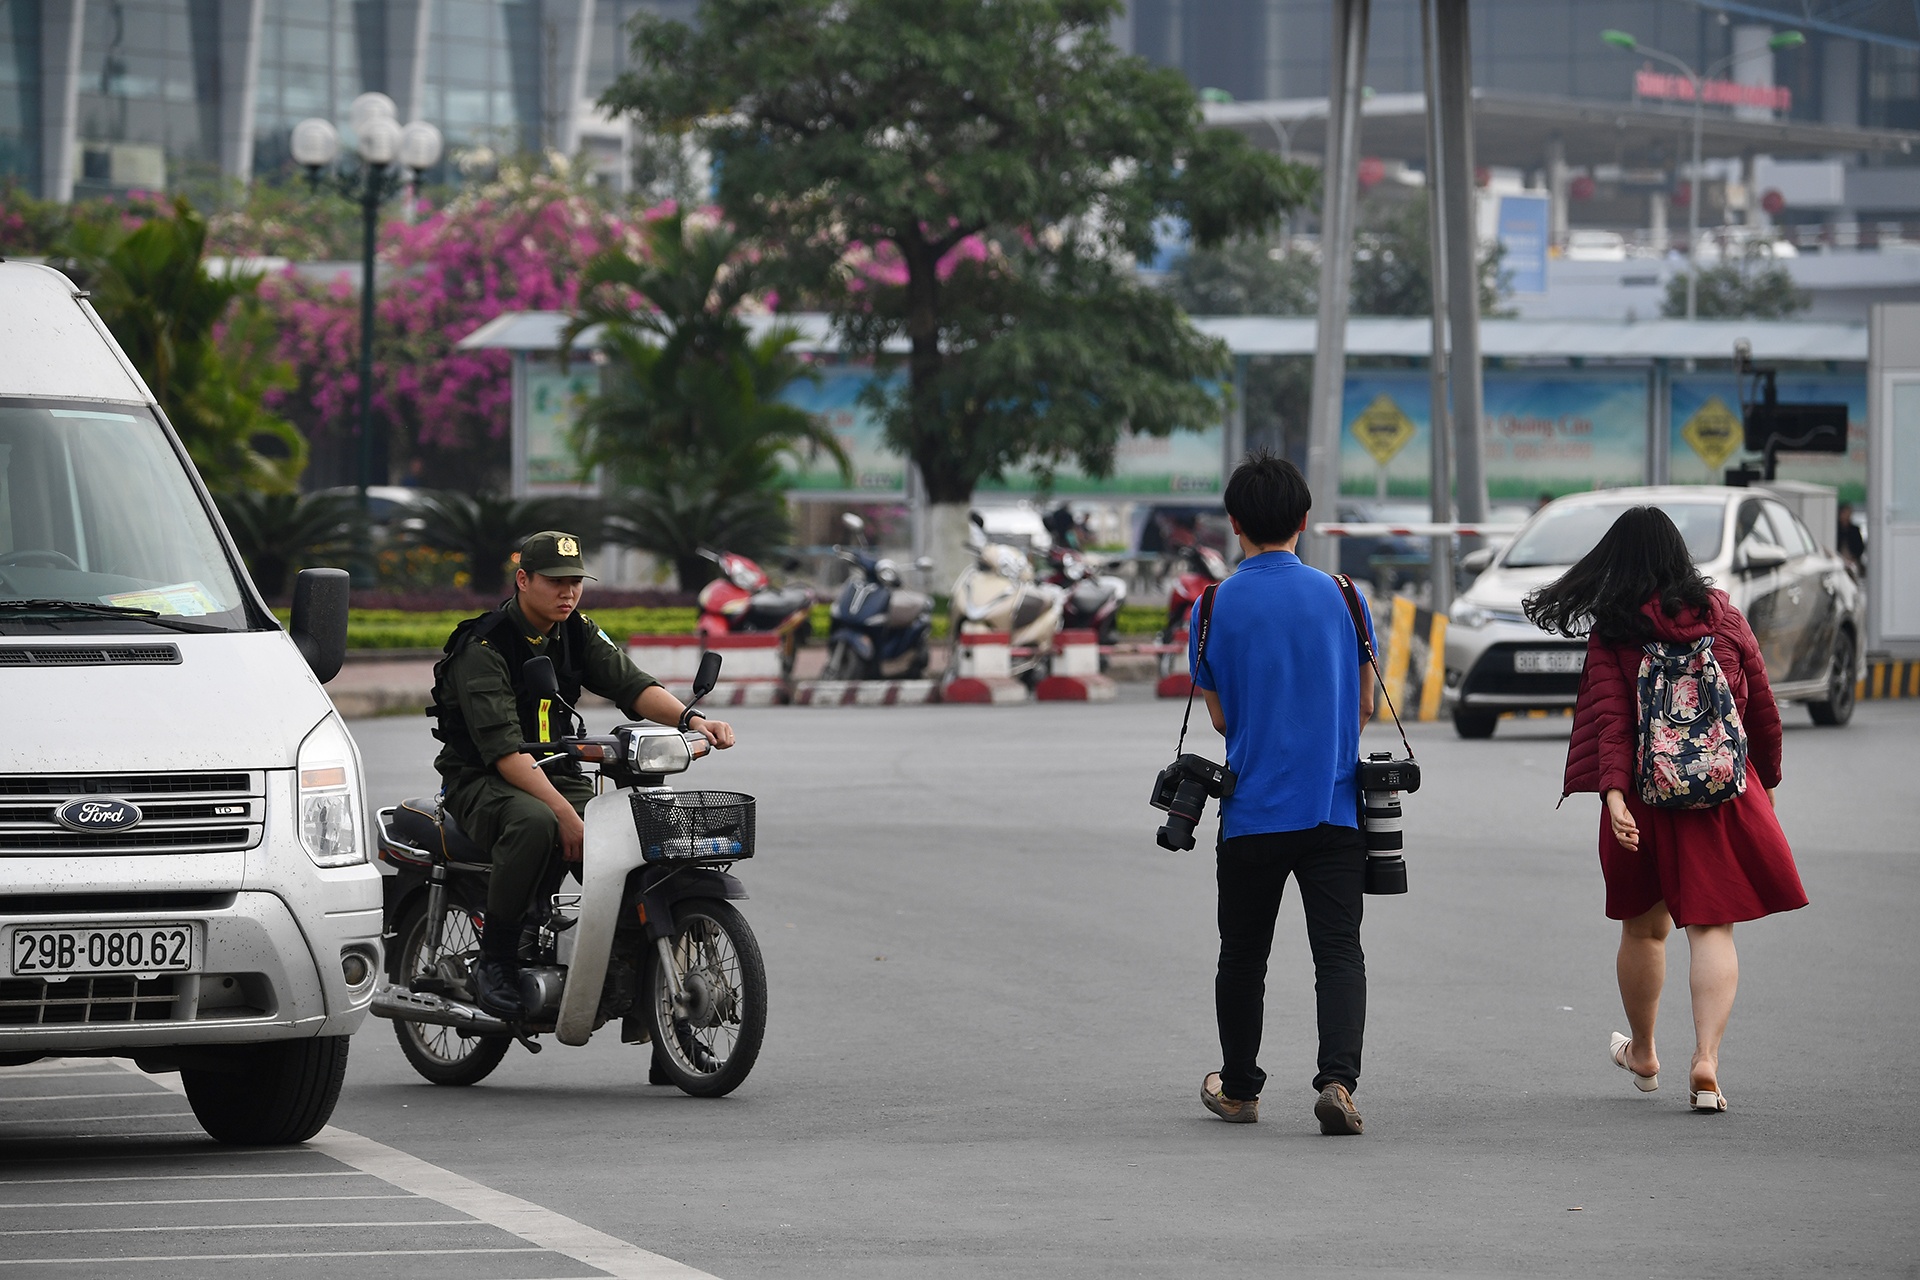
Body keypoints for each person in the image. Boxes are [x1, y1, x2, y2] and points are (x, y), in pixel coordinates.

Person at [1525, 507, 1806, 1113]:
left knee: (1643, 929)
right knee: (1712, 926)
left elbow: (1611, 722)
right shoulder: (1723, 616)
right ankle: (1705, 1062)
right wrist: (1770, 780)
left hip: (1644, 799)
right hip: (1720, 793)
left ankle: (1646, 1052)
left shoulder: (1617, 630)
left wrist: (1615, 795)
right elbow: (1760, 711)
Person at [427, 531, 736, 1018]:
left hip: (556, 770)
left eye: (575, 582)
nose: (568, 593)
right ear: (523, 580)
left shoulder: (575, 630)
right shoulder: (484, 647)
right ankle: (497, 962)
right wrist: (564, 815)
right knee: (535, 823)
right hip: (483, 779)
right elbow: (505, 754)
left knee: (631, 837)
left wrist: (693, 721)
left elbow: (630, 684)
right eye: (555, 582)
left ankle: (641, 982)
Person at [1189, 451, 1377, 1136]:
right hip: (1333, 807)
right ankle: (1338, 1082)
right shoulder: (1345, 596)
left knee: (1243, 954)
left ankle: (1239, 1089)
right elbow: (1362, 708)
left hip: (1251, 814)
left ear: (1234, 522)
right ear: (1304, 521)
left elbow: (1219, 718)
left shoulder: (1211, 605)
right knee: (1338, 950)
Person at [1836, 503, 1866, 574]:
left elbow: (1860, 546)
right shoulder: (1836, 529)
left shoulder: (1854, 530)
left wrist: (1854, 557)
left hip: (1852, 558)